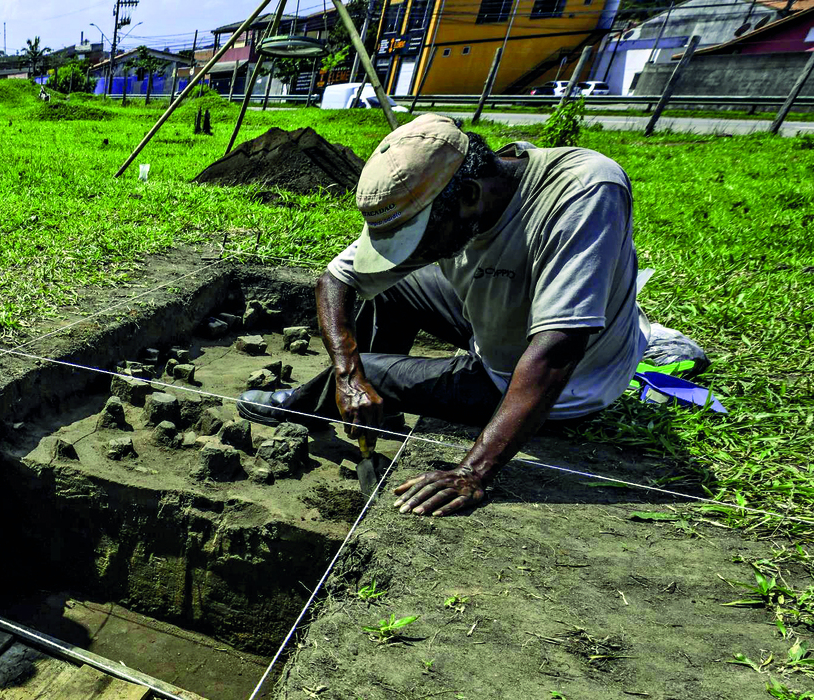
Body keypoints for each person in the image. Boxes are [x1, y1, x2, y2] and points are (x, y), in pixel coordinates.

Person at [239, 113, 649, 517]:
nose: (413, 255)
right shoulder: (450, 192)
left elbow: (558, 352)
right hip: (498, 322)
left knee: (376, 370)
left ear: (470, 196)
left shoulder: (585, 191)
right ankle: (380, 410)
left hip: (562, 383)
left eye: (419, 241)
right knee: (389, 296)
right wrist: (349, 377)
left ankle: (299, 407)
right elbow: (334, 281)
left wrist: (473, 472)